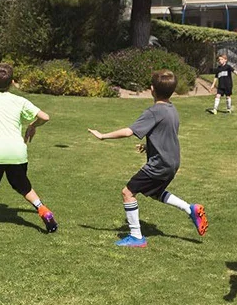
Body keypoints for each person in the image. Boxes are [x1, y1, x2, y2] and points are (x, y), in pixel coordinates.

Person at [89, 69, 208, 247]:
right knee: (155, 192)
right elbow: (165, 134)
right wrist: (148, 146)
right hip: (172, 162)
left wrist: (103, 135)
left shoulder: (154, 111)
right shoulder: (172, 109)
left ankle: (136, 237)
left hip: (159, 165)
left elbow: (129, 131)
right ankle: (190, 209)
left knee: (127, 193)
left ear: (152, 89)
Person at [0, 62, 57, 233]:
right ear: (12, 82)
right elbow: (45, 117)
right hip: (18, 153)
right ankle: (43, 210)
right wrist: (33, 125)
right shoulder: (20, 101)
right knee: (24, 187)